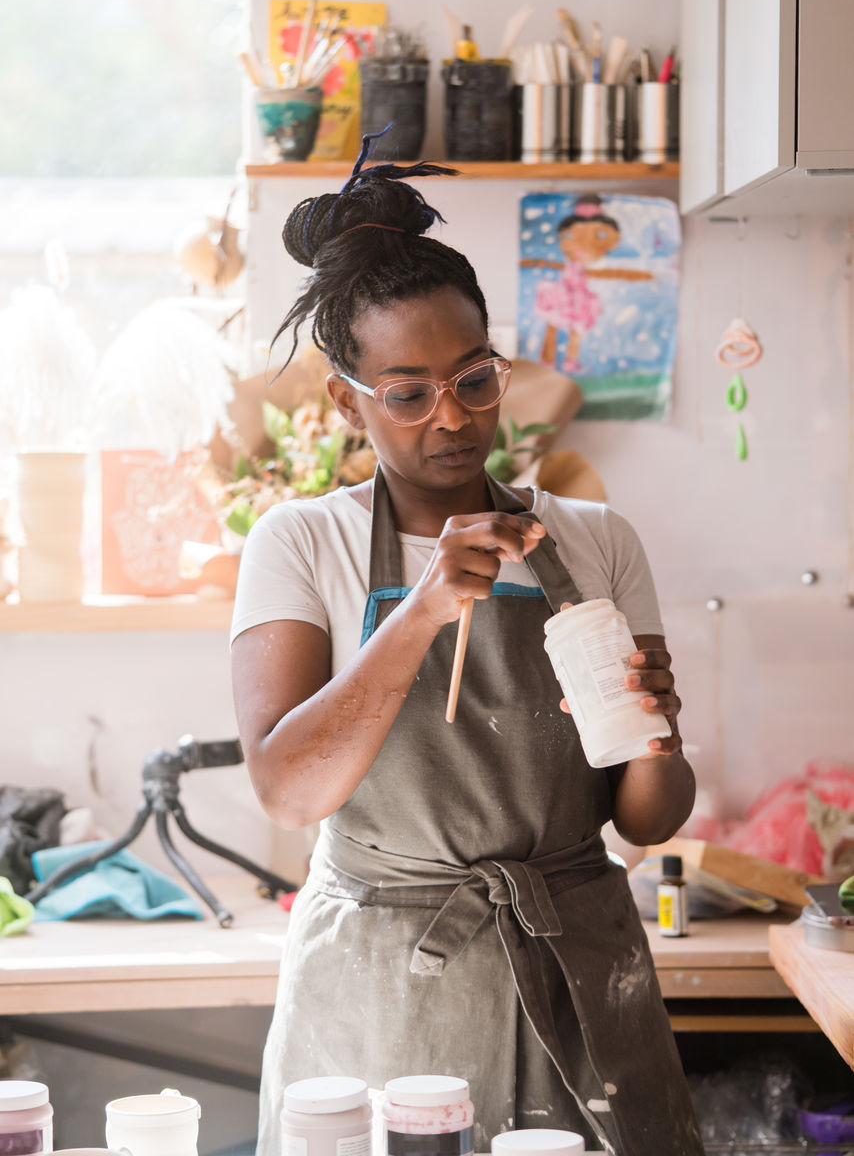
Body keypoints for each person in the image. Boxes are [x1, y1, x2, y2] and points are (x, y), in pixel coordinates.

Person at [230, 137, 704, 1156]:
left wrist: (654, 733)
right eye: (406, 392)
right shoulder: (299, 542)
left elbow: (647, 822)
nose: (451, 418)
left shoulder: (592, 538)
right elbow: (286, 790)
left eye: (473, 378)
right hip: (381, 980)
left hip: (580, 959)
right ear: (345, 400)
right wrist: (423, 608)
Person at [520, 195, 652, 372]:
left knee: (575, 331)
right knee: (553, 326)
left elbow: (604, 272)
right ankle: (547, 360)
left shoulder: (589, 267)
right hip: (563, 294)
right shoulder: (571, 263)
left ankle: (569, 361)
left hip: (579, 298)